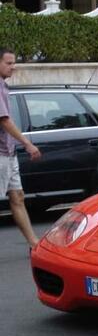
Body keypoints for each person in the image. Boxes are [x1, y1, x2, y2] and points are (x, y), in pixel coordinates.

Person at [0, 47, 42, 249]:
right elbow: (5, 121)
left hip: (9, 152)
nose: (13, 67)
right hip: (1, 154)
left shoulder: (3, 86)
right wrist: (27, 143)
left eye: (13, 62)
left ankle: (33, 242)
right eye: (8, 63)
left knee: (17, 196)